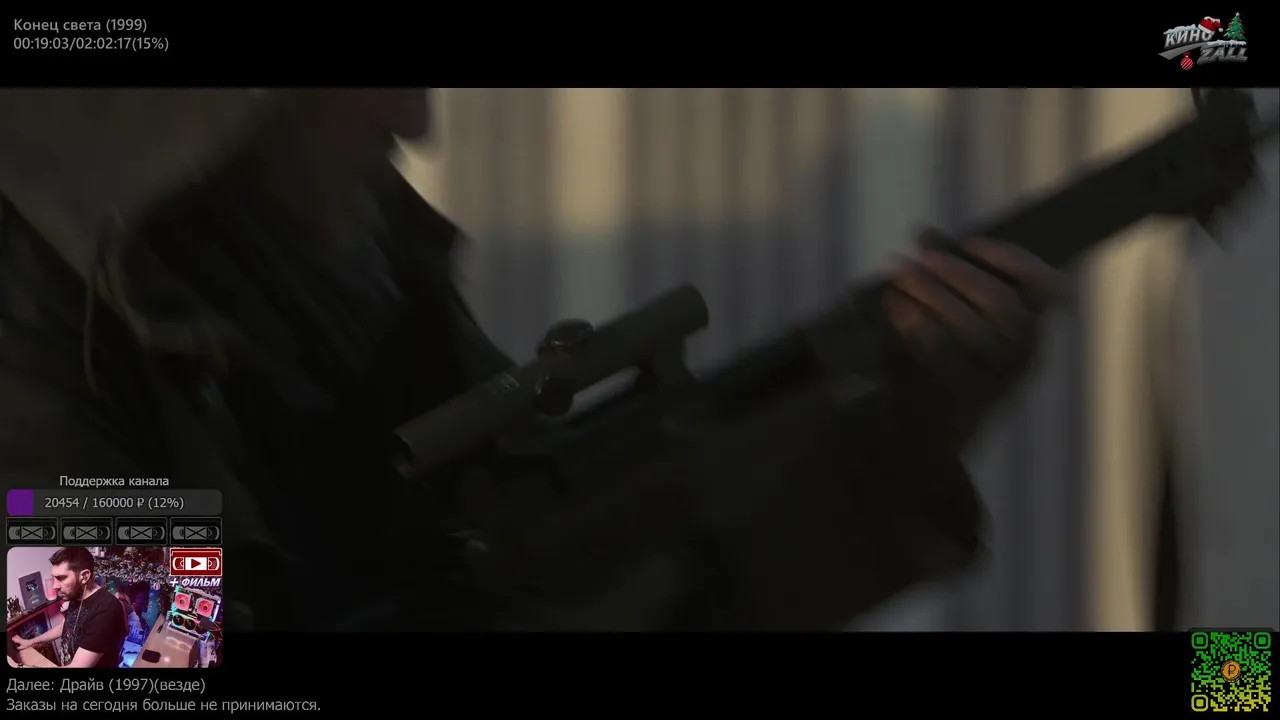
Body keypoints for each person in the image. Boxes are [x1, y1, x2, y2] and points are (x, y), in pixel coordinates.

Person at [0, 90, 1062, 631]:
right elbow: (103, 669)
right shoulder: (37, 302)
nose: (415, 120)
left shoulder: (350, 262)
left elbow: (619, 567)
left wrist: (898, 424)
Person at [9, 548, 126, 668]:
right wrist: (30, 642)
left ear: (84, 576)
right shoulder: (77, 594)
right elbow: (65, 626)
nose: (55, 586)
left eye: (61, 578)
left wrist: (17, 667)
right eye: (54, 578)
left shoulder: (106, 610)